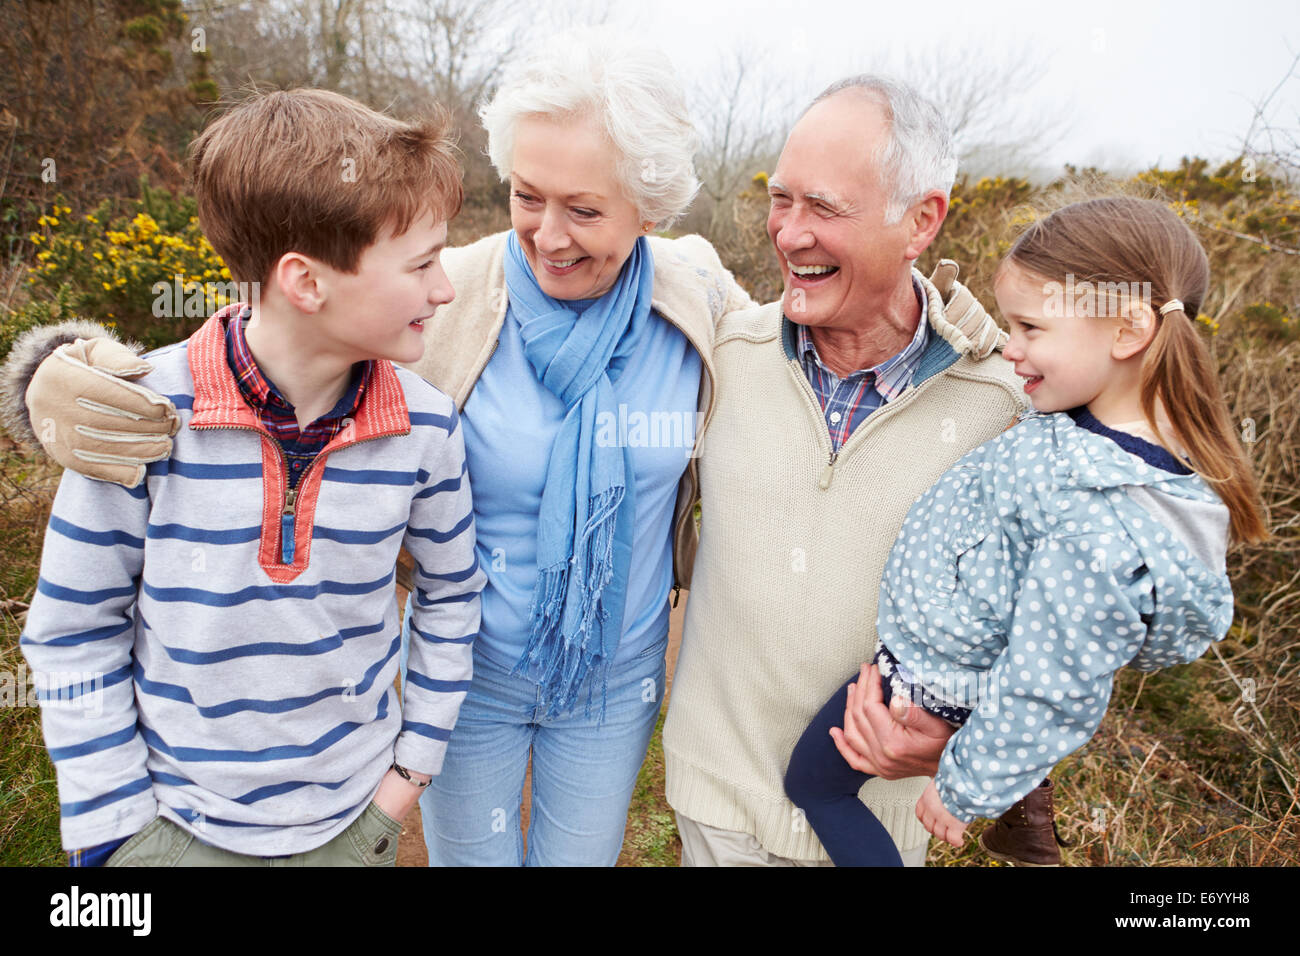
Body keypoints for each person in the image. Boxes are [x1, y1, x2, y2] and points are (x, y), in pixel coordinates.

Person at [4, 30, 754, 866]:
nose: (547, 236)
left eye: (584, 209)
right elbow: (278, 327)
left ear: (648, 209)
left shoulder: (698, 300)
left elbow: (802, 361)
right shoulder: (446, 291)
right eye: (526, 196)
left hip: (615, 671)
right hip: (474, 675)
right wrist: (59, 371)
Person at [17, 88, 485, 866]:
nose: (445, 288)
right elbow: (73, 630)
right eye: (424, 263)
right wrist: (113, 830)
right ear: (306, 283)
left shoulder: (427, 428)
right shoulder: (135, 417)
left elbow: (452, 594)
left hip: (351, 826)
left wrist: (407, 777)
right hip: (168, 832)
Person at [784, 196, 1269, 866]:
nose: (1012, 348)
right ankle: (1026, 811)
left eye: (1031, 328)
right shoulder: (1093, 423)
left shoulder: (1104, 518)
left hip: (931, 681)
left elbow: (1053, 675)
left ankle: (1017, 807)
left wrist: (965, 784)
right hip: (942, 658)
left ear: (1128, 332)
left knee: (814, 786)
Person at [661, 75, 1031, 867]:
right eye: (780, 199)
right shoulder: (723, 354)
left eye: (824, 208)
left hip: (870, 831)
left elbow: (1052, 626)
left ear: (920, 221)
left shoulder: (1003, 408)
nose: (790, 234)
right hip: (716, 808)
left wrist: (955, 738)